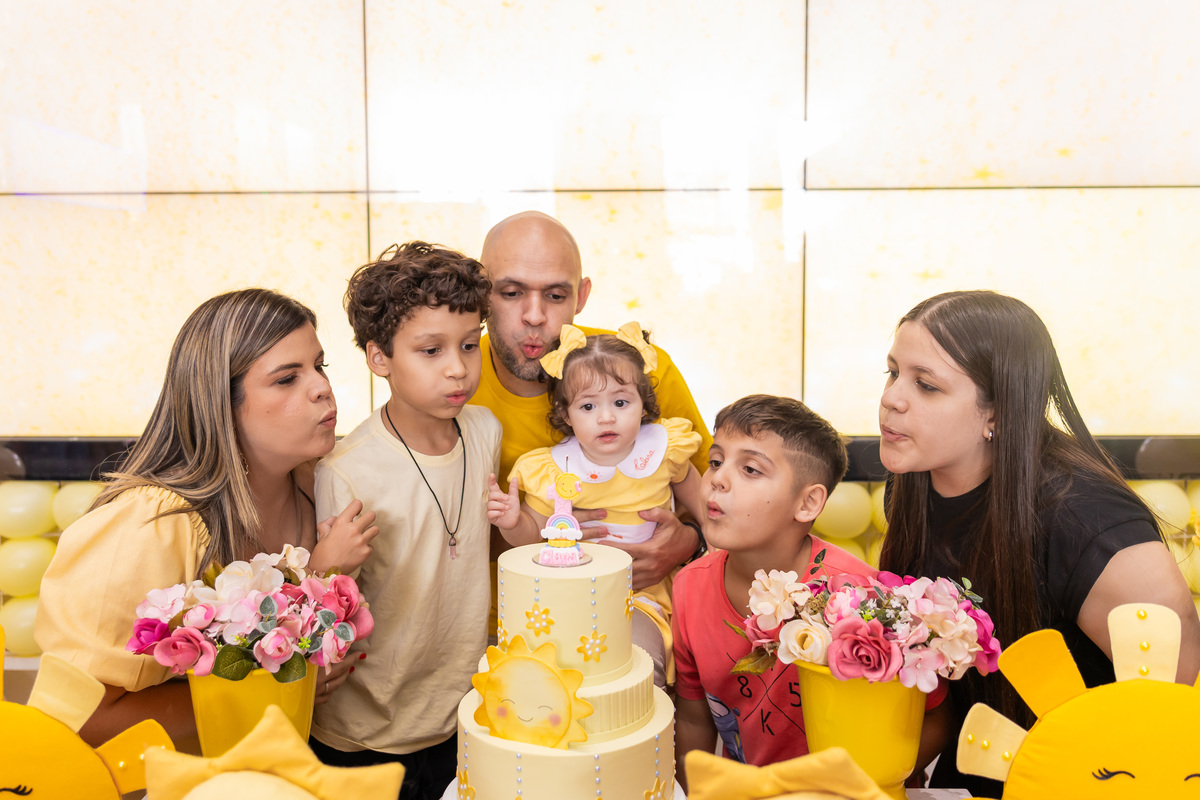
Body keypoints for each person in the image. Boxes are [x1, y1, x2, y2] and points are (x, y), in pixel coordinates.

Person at [877, 289, 1200, 795]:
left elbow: (1169, 699)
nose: (893, 398)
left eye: (927, 386)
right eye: (893, 372)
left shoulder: (1084, 519)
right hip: (981, 762)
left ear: (998, 413)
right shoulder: (912, 483)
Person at [35, 289, 379, 749]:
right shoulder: (150, 525)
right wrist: (276, 696)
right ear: (220, 403)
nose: (321, 387)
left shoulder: (323, 483)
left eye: (320, 366)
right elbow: (77, 725)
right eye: (286, 379)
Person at [308, 242, 501, 800]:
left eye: (469, 345)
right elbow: (331, 600)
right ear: (379, 358)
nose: (457, 367)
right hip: (364, 732)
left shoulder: (485, 430)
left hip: (464, 714)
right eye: (430, 350)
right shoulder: (348, 471)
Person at [471, 210, 712, 587]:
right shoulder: (456, 383)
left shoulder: (643, 369)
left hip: (644, 604)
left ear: (581, 296)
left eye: (555, 295)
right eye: (512, 292)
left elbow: (720, 502)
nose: (534, 316)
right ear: (482, 294)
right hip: (506, 617)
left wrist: (690, 543)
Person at [672, 394, 876, 789]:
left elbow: (930, 719)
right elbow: (694, 719)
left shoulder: (857, 594)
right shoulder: (688, 587)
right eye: (716, 461)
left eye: (750, 468)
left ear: (808, 502)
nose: (717, 478)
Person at [487, 324, 705, 685]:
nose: (606, 417)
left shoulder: (666, 450)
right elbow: (530, 537)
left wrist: (699, 549)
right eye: (588, 406)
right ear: (566, 414)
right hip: (567, 595)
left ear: (643, 404)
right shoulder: (555, 468)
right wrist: (512, 523)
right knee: (553, 676)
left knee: (638, 672)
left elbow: (708, 515)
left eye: (621, 402)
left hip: (640, 596)